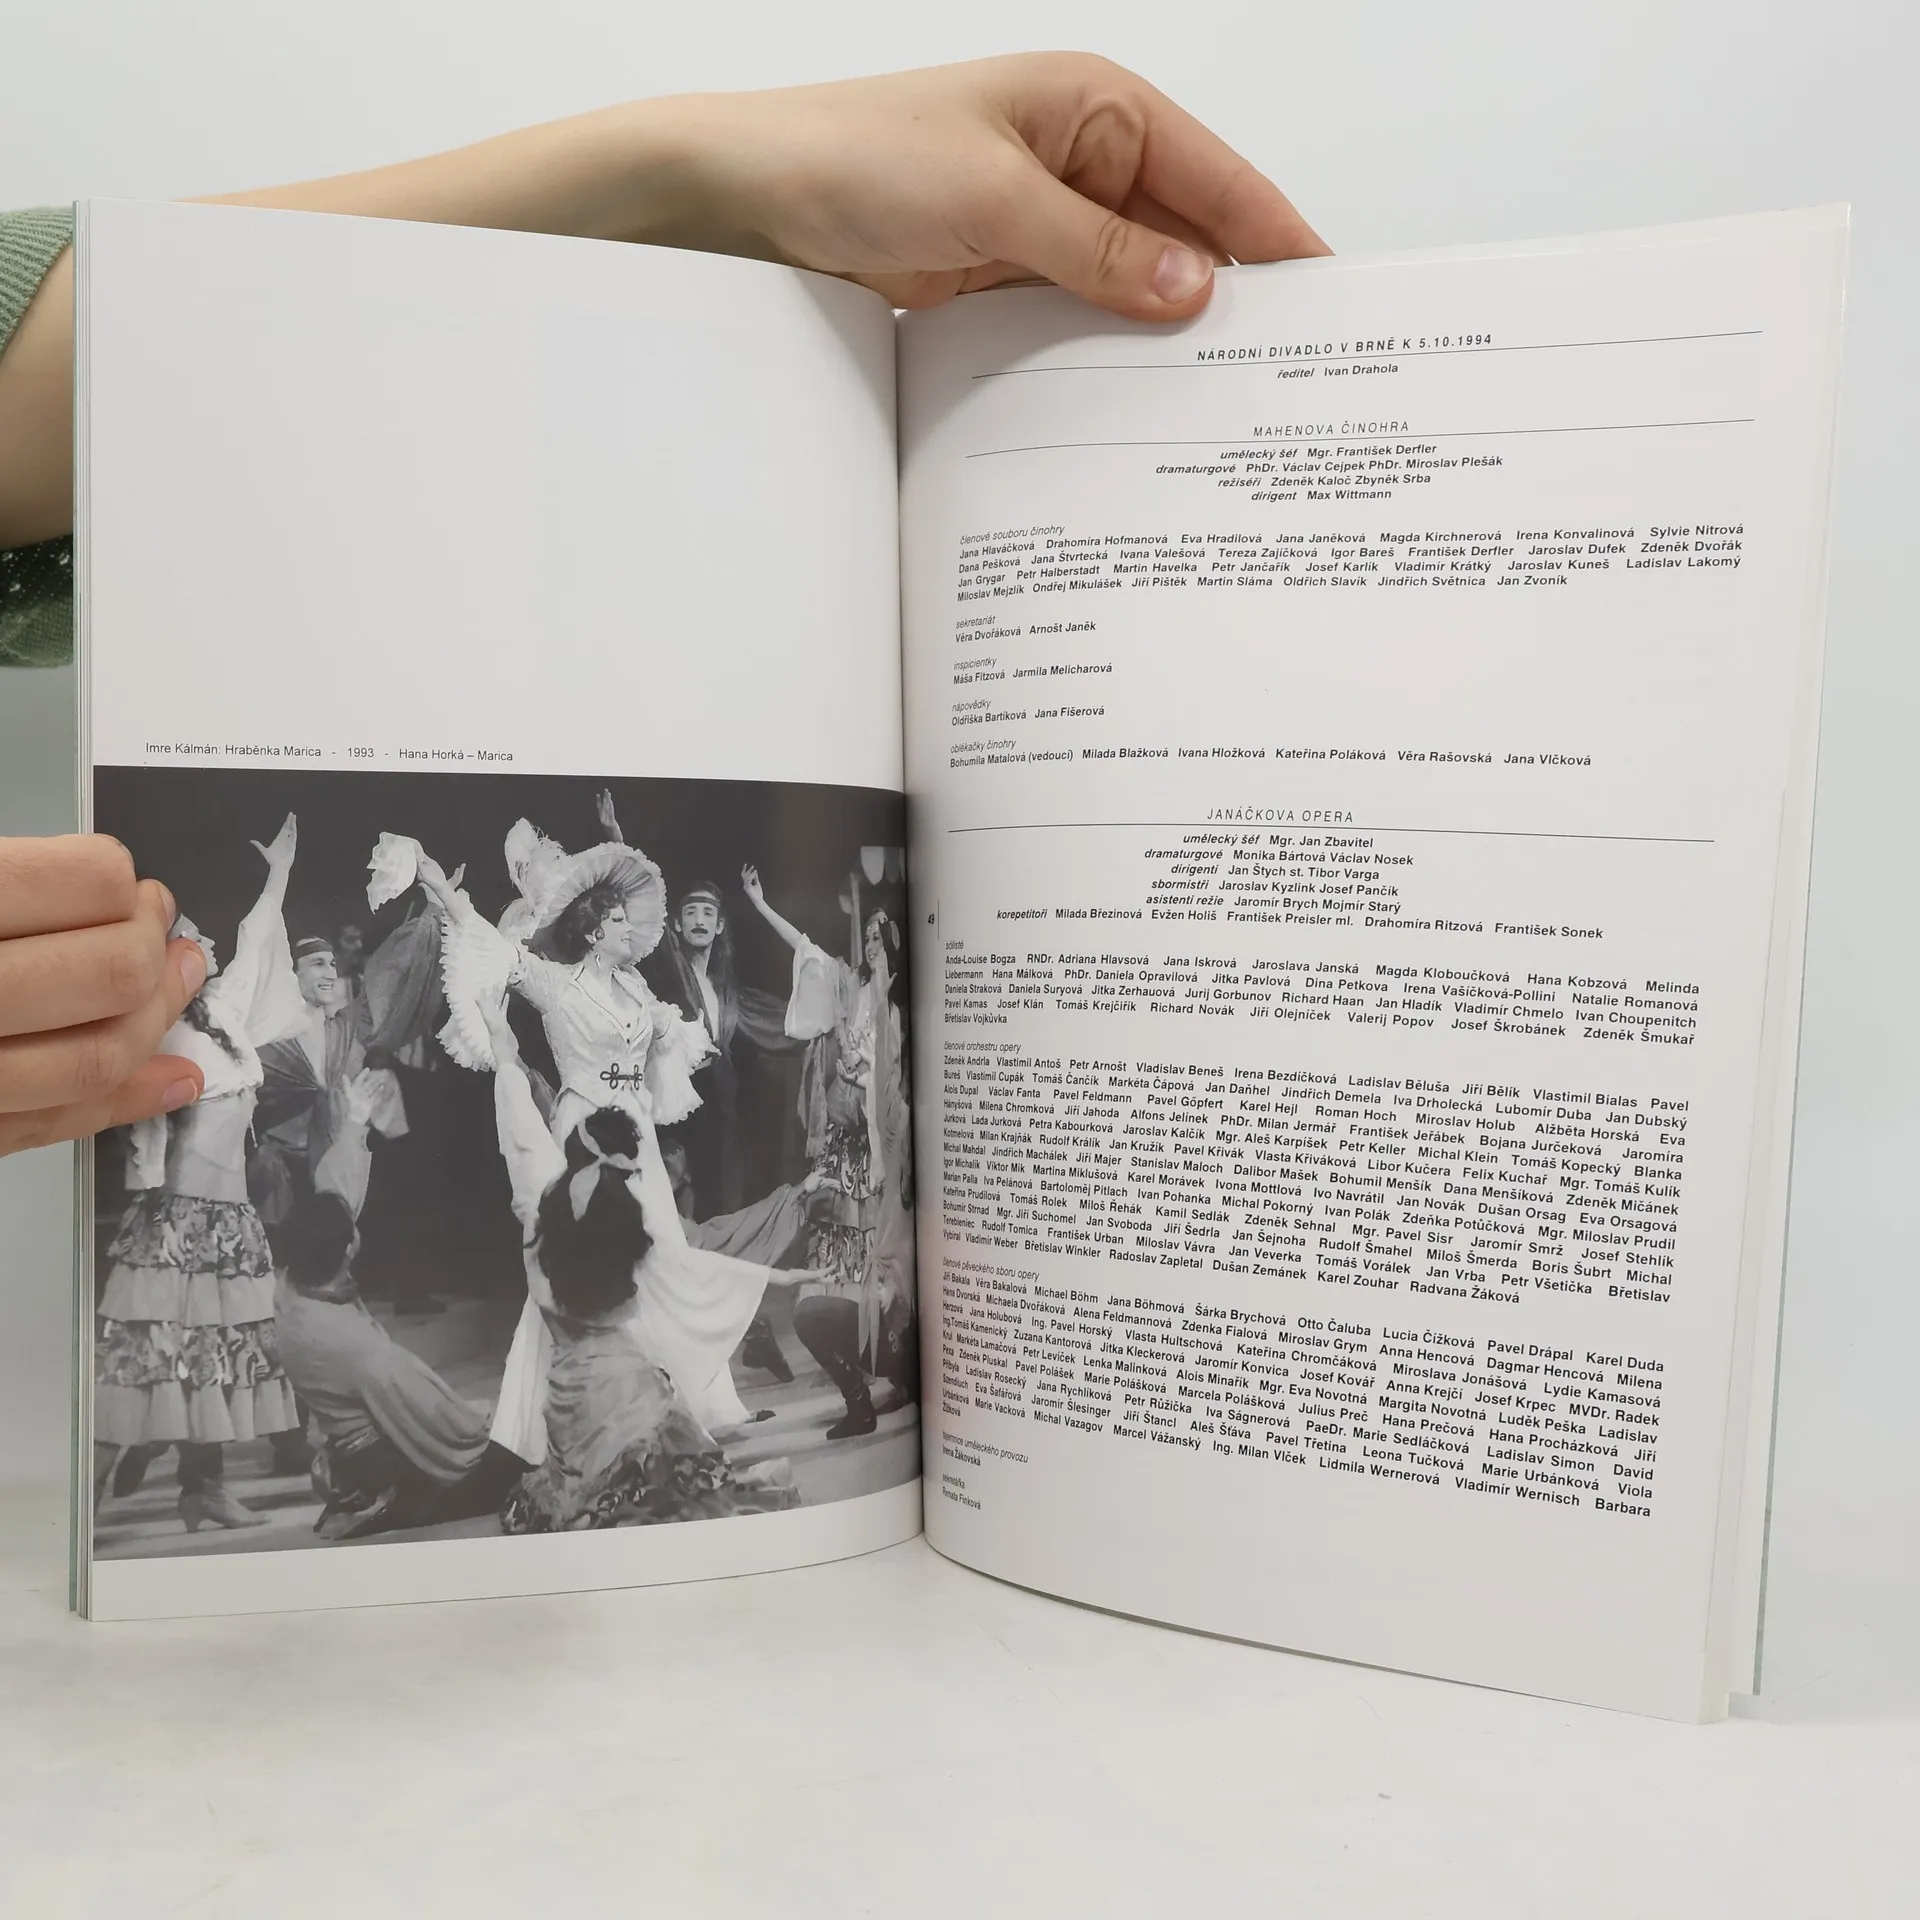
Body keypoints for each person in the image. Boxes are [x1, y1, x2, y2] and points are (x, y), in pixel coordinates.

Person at [0, 57, 1326, 1159]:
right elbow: (497, 934)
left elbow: (75, 364)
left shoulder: (636, 971)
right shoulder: (554, 958)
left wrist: (697, 181)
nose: (631, 918)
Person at [416, 832, 790, 1442]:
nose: (629, 929)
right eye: (617, 921)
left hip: (636, 1130)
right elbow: (488, 942)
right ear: (593, 933)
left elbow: (663, 1030)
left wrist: (679, 1035)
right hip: (585, 1128)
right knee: (587, 1257)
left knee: (665, 1252)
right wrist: (438, 883)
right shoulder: (556, 984)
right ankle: (579, 1408)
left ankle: (704, 1404)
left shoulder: (637, 986)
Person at [477, 994, 799, 1533]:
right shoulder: (628, 1240)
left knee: (596, 1490)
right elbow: (688, 1273)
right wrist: (776, 1274)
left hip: (568, 1399)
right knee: (674, 1475)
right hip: (634, 1393)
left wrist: (502, 1048)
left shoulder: (540, 1209)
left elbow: (521, 1133)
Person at [92, 816, 308, 1530]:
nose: (207, 943)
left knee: (213, 1353)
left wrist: (279, 873)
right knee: (154, 1355)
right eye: (190, 938)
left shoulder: (225, 1009)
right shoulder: (154, 1029)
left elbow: (256, 937)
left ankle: (202, 1489)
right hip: (180, 1217)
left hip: (229, 1218)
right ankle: (87, 1492)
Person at [274, 1076, 523, 1542]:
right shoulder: (351, 1344)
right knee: (517, 1462)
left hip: (351, 1439)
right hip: (382, 1462)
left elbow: (335, 1192)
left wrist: (355, 1121)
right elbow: (431, 1413)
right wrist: (489, 1421)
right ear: (348, 1249)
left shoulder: (293, 1286)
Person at [741, 863, 916, 1439]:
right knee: (832, 1264)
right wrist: (761, 904)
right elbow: (806, 949)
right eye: (866, 935)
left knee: (878, 1271)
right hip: (843, 1150)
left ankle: (891, 1368)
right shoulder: (847, 987)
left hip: (879, 1155)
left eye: (880, 936)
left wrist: (868, 1075)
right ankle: (853, 1390)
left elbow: (895, 1092)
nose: (871, 944)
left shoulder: (900, 1014)